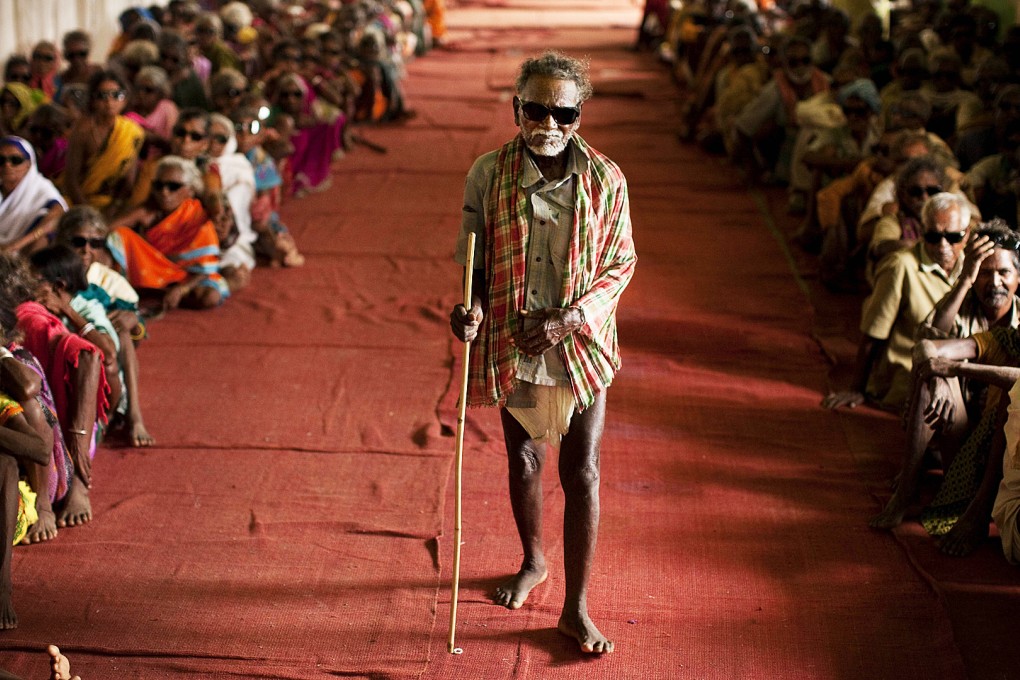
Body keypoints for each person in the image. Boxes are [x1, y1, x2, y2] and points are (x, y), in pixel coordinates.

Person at [449, 52, 636, 654]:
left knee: (582, 470)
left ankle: (576, 607)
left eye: (564, 113)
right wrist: (471, 310)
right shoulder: (488, 172)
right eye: (537, 109)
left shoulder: (607, 180)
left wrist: (569, 320)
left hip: (580, 341)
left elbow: (620, 263)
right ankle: (534, 560)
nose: (549, 123)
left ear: (580, 115)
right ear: (516, 109)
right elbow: (474, 262)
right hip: (514, 338)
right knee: (524, 460)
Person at [870, 221, 1020, 550]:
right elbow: (926, 344)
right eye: (984, 273)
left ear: (1018, 278)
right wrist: (939, 376)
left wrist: (948, 367)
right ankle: (906, 491)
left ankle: (977, 509)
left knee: (1009, 401)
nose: (994, 283)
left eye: (1004, 273)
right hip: (959, 436)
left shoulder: (1015, 327)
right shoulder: (965, 308)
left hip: (1006, 448)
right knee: (931, 375)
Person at [824, 193, 970, 412]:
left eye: (952, 237)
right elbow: (874, 331)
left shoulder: (973, 267)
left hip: (960, 374)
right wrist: (858, 388)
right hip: (910, 375)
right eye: (932, 236)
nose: (942, 245)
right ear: (922, 231)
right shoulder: (901, 266)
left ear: (966, 234)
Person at [108, 156, 227, 310]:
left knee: (209, 296)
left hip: (189, 276)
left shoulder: (198, 216)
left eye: (173, 186)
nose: (164, 192)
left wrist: (182, 289)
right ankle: (154, 292)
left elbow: (205, 268)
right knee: (119, 235)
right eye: (158, 186)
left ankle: (158, 293)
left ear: (190, 190)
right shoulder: (147, 211)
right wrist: (140, 212)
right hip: (155, 271)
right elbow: (109, 229)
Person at [62, 70, 143, 218]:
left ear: (125, 99)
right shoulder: (82, 130)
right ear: (92, 100)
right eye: (102, 96)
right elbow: (71, 180)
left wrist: (114, 208)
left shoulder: (131, 132)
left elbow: (128, 182)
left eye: (116, 95)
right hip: (80, 201)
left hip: (113, 204)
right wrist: (89, 213)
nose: (109, 101)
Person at [0, 136, 67, 252]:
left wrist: (15, 245)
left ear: (29, 164)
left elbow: (57, 214)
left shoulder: (40, 189)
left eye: (15, 160)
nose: (7, 165)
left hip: (20, 252)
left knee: (44, 237)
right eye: (1, 160)